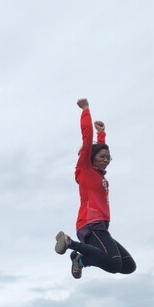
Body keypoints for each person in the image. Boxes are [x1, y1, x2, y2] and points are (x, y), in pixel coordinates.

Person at [54, 98, 136, 278]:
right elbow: (87, 137)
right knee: (114, 264)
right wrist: (85, 109)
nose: (106, 159)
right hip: (90, 224)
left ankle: (81, 260)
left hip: (101, 226)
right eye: (102, 156)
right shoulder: (85, 169)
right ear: (89, 157)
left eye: (109, 157)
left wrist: (103, 134)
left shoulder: (99, 175)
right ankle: (70, 243)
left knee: (128, 266)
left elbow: (98, 148)